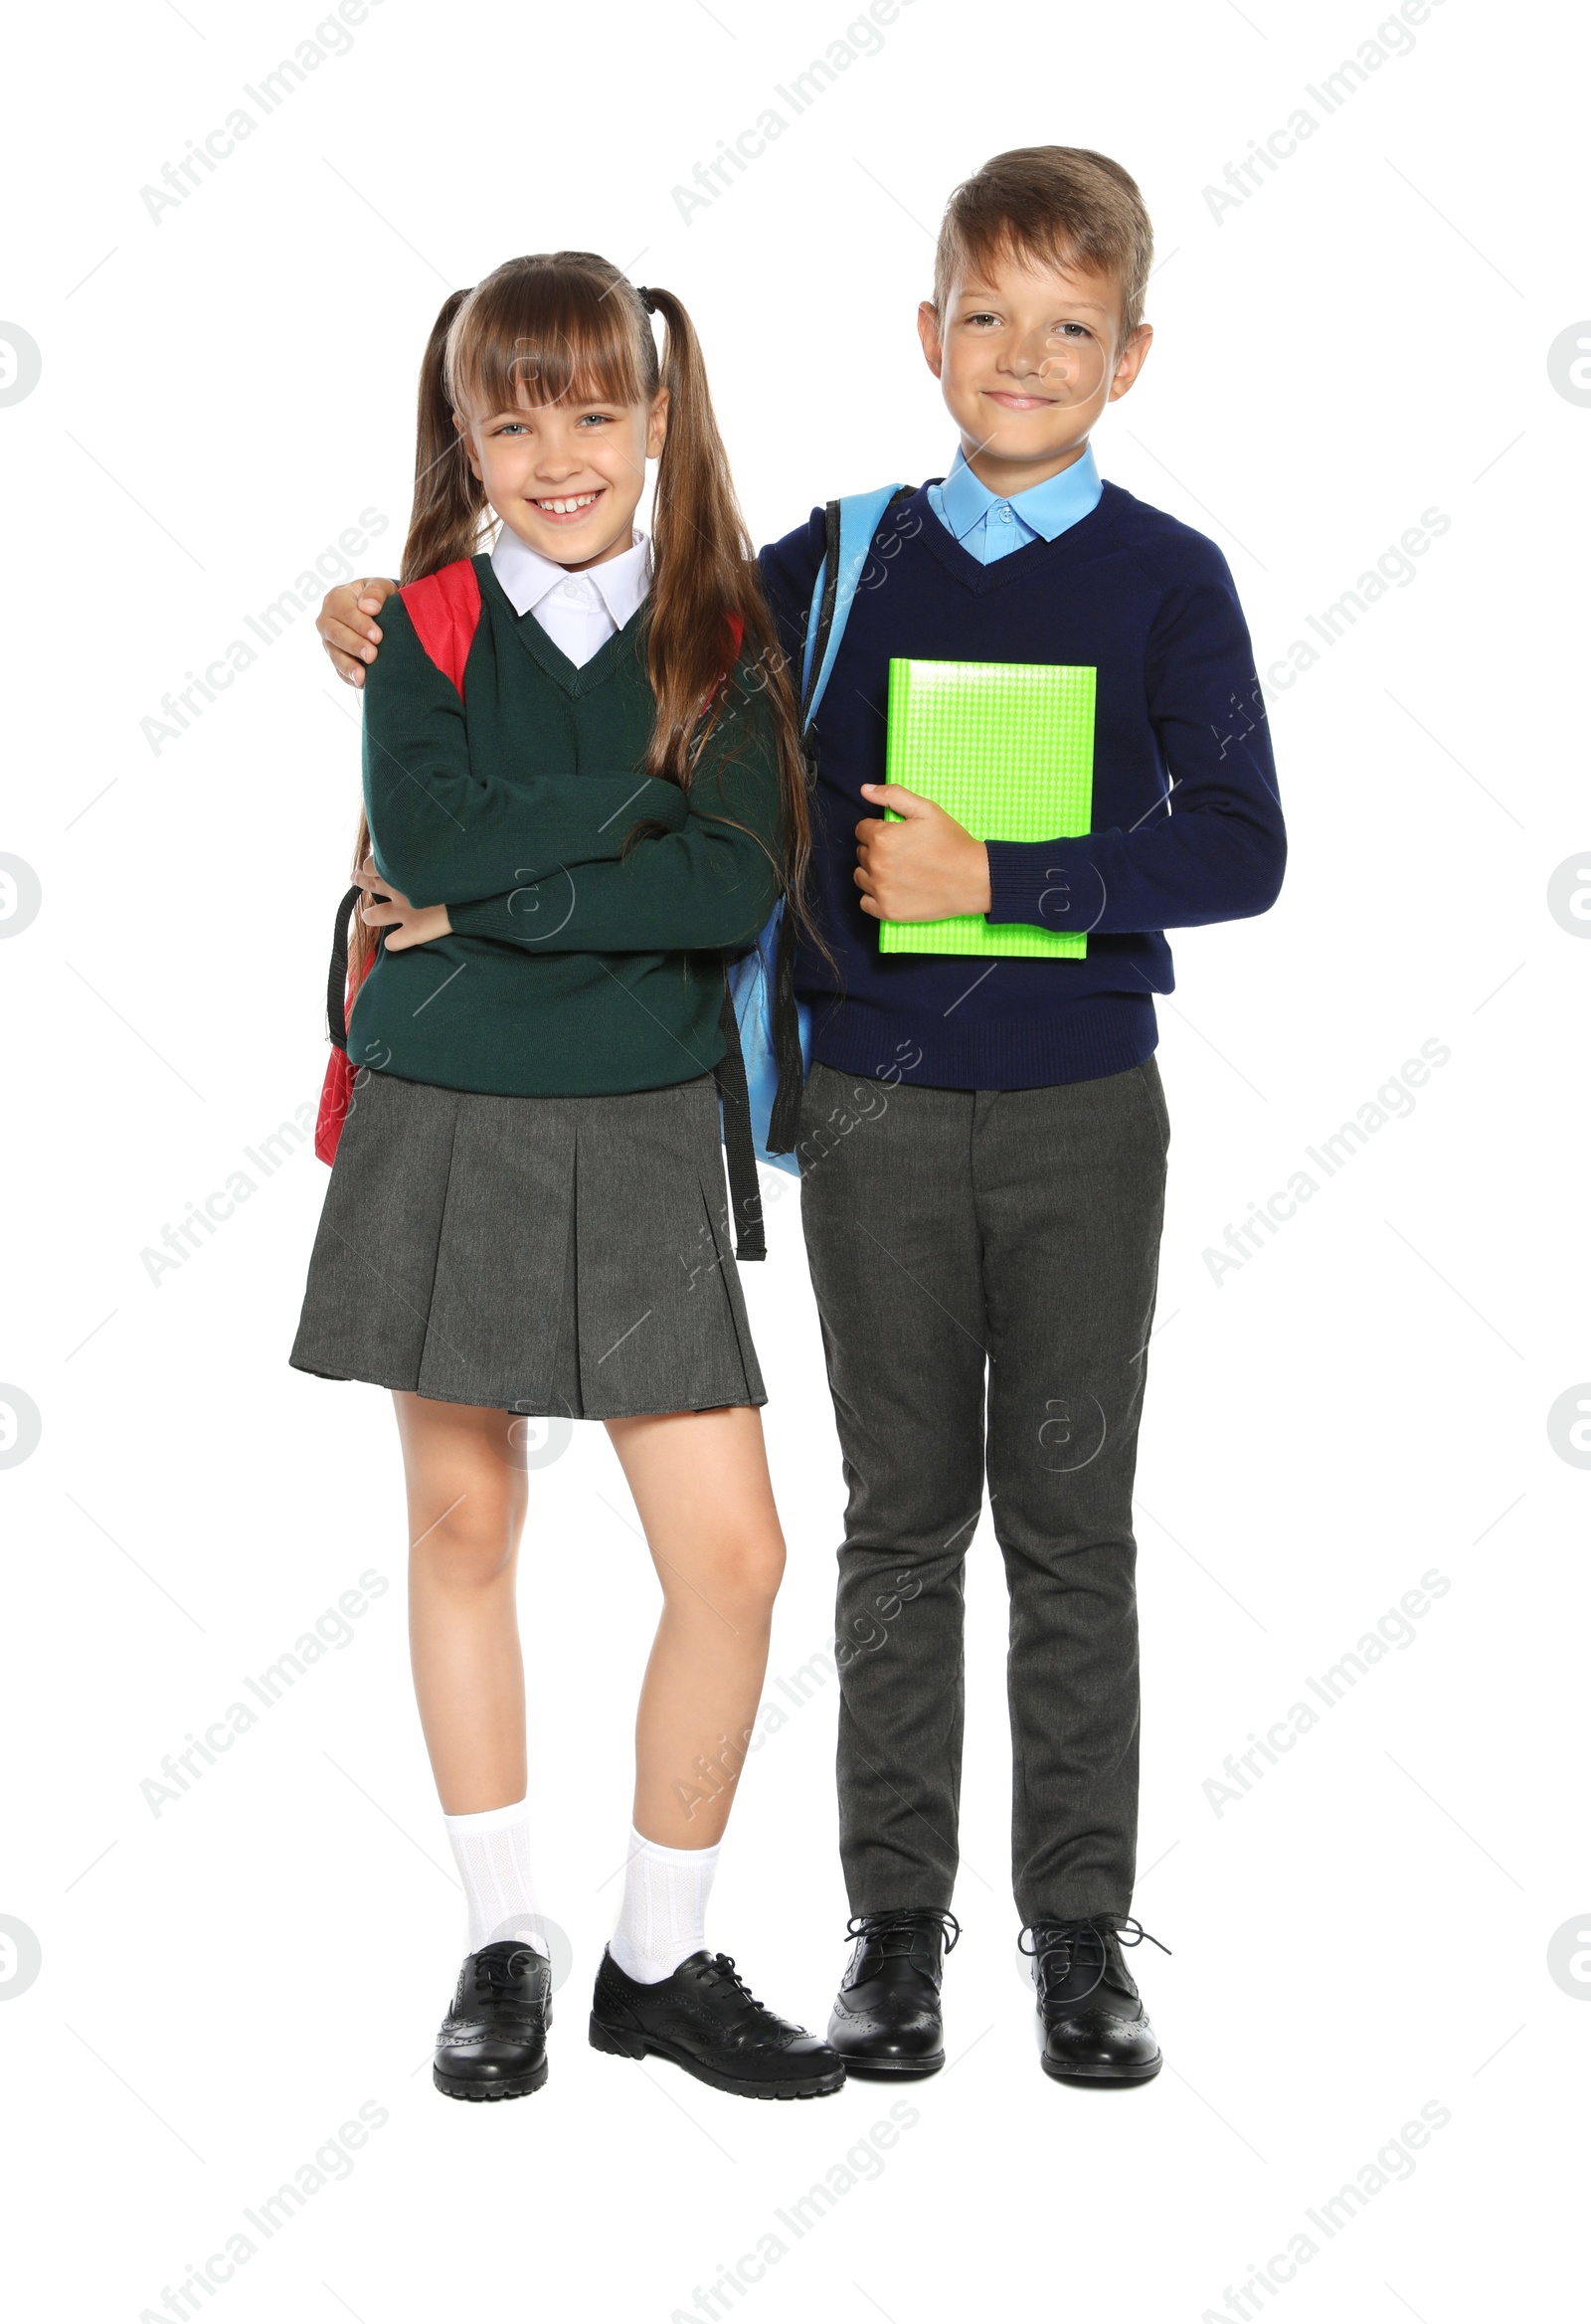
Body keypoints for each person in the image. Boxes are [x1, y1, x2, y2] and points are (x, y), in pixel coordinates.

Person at [315, 150, 1287, 2087]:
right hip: (847, 1102)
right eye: (984, 320)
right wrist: (385, 607)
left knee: (1029, 1529)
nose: (1019, 357)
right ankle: (876, 1939)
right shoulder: (825, 562)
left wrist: (1000, 868)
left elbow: (1219, 845)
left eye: (1067, 327)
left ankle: (1069, 1932)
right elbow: (550, 700)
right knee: (880, 1526)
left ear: (1132, 351)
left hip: (1065, 1095)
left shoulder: (1146, 575)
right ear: (926, 336)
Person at [292, 250, 842, 2103]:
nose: (555, 453)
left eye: (593, 410)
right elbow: (434, 829)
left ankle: (656, 1955)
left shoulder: (724, 636)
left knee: (737, 1558)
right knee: (465, 1529)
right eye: (509, 416)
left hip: (642, 1113)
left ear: (659, 418)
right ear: (461, 431)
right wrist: (629, 843)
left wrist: (505, 897)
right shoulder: (420, 624)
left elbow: (729, 881)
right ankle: (498, 1935)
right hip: (442, 1099)